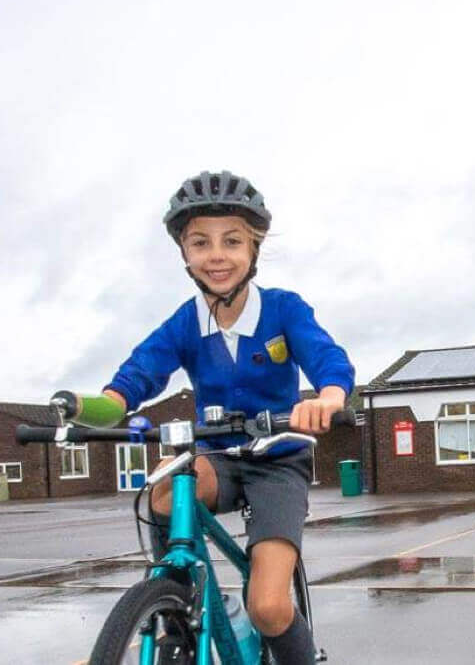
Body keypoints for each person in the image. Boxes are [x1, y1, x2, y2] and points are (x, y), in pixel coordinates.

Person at [66, 171, 354, 664]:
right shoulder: (185, 322)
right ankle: (175, 596)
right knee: (164, 490)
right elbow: (138, 374)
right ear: (185, 254)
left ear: (254, 249)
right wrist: (95, 407)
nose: (216, 255)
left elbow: (327, 358)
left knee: (266, 605)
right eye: (200, 242)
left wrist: (327, 398)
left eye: (231, 241)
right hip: (217, 457)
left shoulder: (283, 310)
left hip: (277, 459)